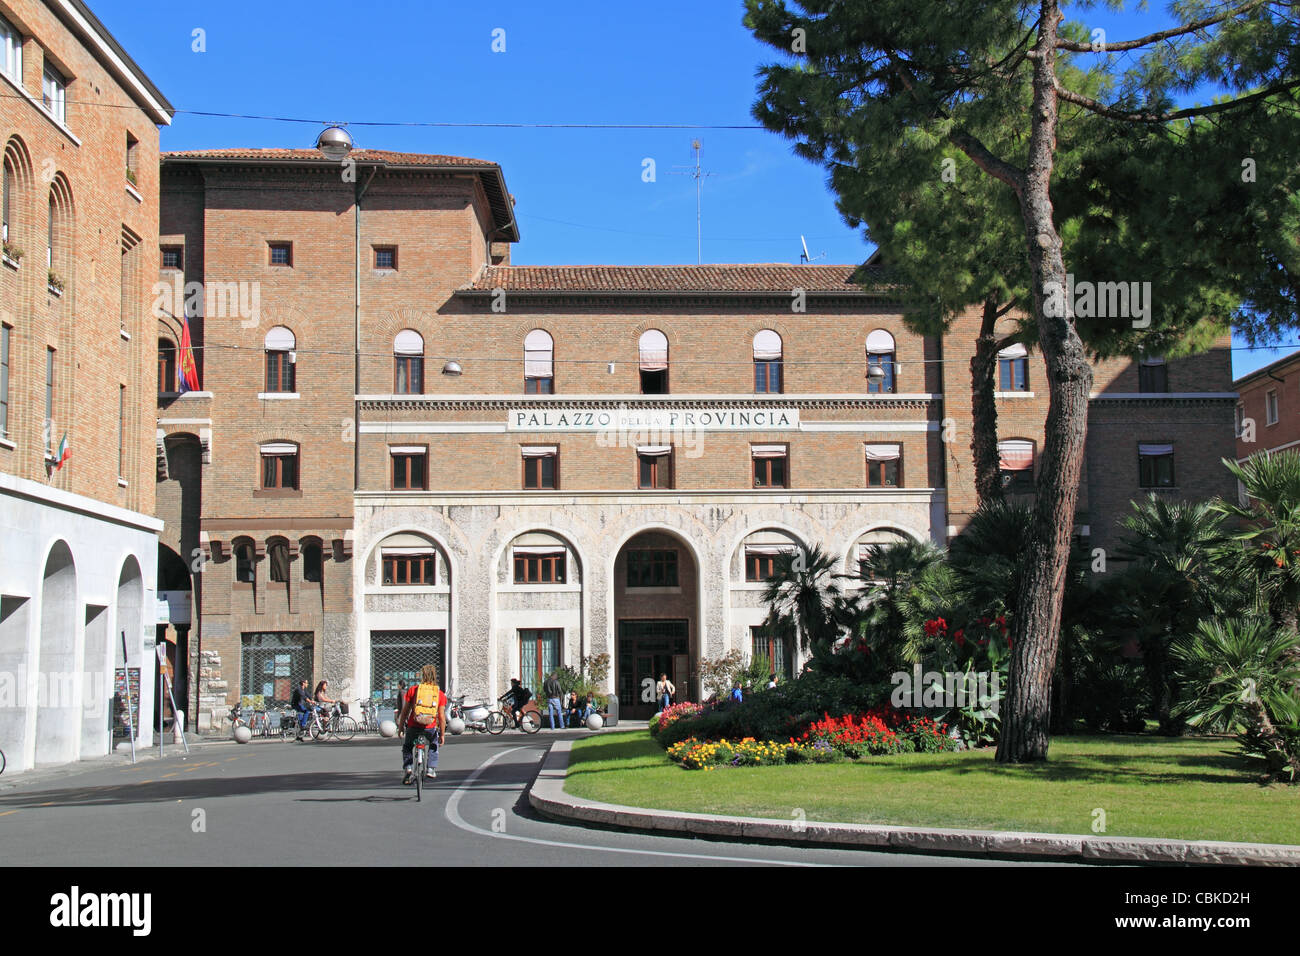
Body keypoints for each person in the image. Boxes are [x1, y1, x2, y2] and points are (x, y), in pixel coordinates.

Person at [397, 664, 446, 784]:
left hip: (414, 725)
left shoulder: (413, 690)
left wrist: (401, 727)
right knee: (433, 745)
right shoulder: (439, 694)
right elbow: (441, 717)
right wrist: (442, 735)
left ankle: (408, 768)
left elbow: (405, 711)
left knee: (408, 746)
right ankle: (431, 768)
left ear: (422, 676)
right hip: (430, 727)